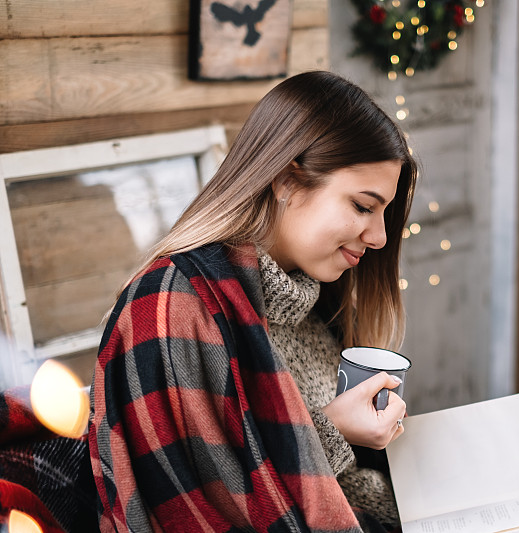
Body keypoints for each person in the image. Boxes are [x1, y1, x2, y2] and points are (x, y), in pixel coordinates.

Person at [89, 70, 417, 533]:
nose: (381, 237)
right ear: (286, 179)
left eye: (384, 212)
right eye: (363, 206)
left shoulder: (312, 298)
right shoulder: (168, 310)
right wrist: (331, 431)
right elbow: (209, 506)